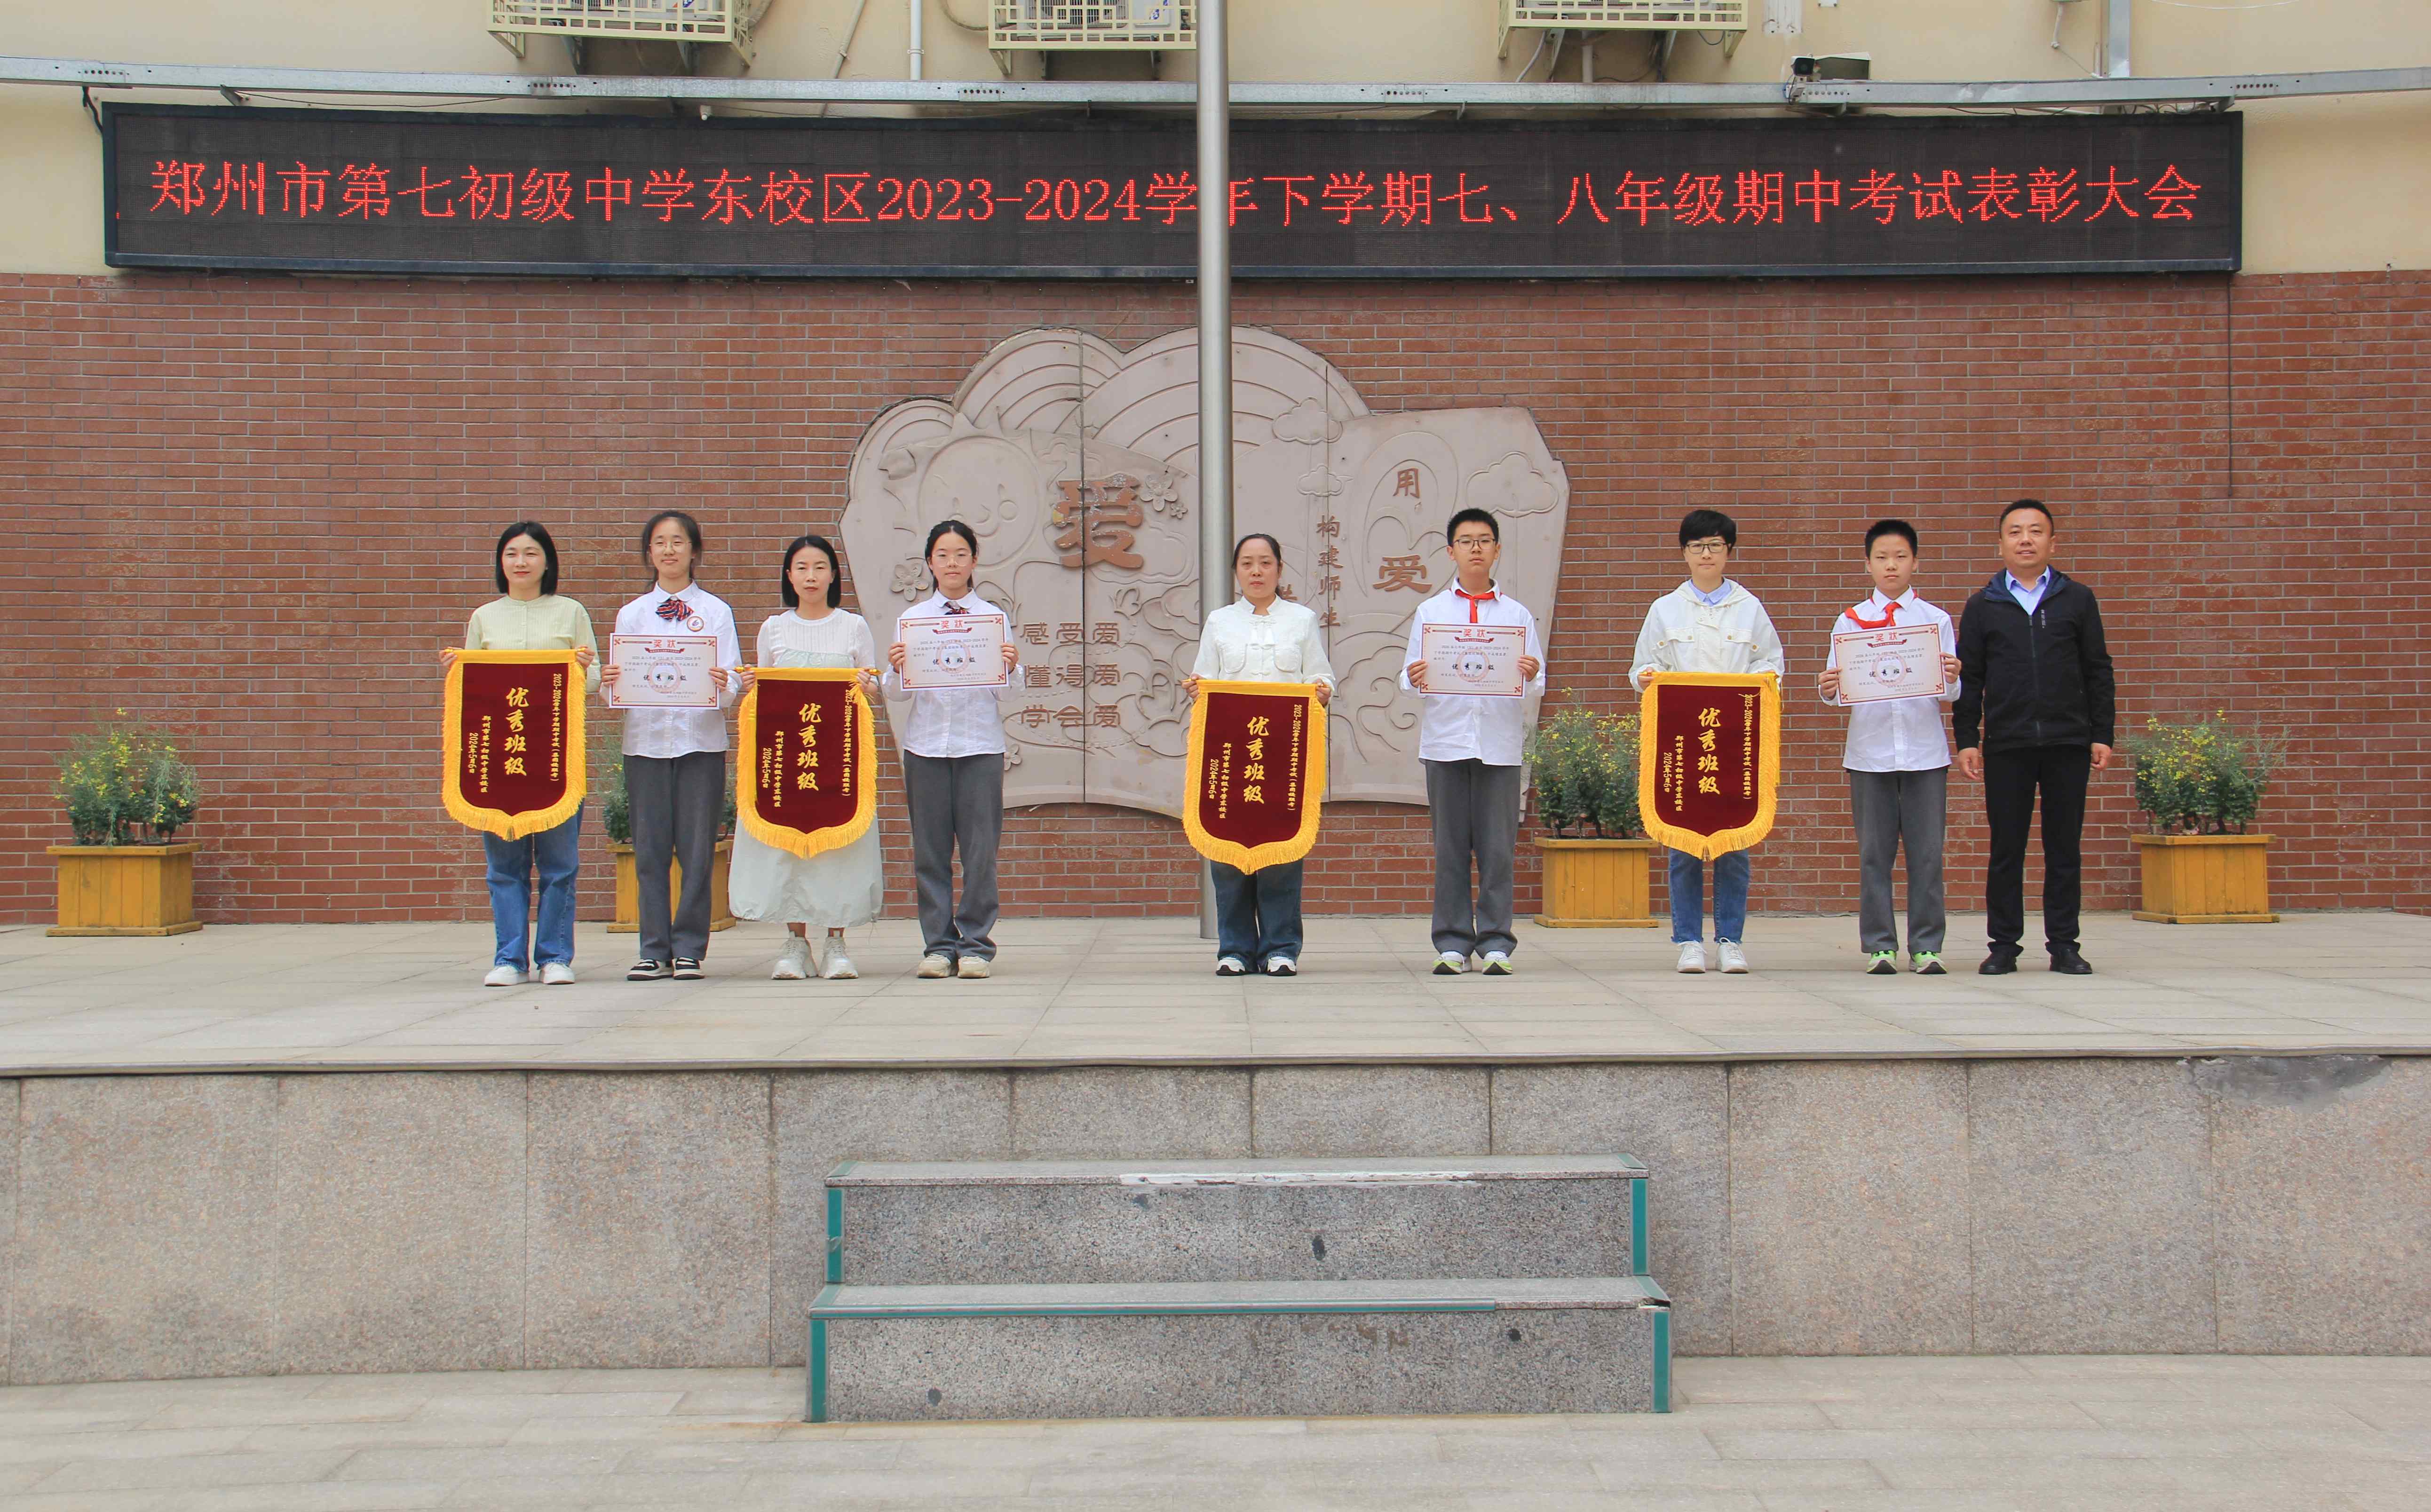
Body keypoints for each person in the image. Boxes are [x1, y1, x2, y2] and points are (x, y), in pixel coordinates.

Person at [1954, 498, 2116, 976]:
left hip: (2068, 741)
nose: (2025, 540)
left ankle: (2064, 944)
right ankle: (2004, 945)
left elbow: (2098, 669)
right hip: (2008, 743)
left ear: (2052, 542)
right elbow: (1970, 678)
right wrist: (1967, 738)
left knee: (2064, 848)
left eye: (2035, 531)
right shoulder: (1983, 605)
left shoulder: (2077, 599)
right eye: (2015, 532)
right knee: (2007, 849)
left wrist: (2102, 733)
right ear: (2001, 543)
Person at [1630, 508, 1786, 975]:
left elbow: (1772, 667)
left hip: (1734, 745)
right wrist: (1648, 677)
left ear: (1729, 551)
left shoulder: (1749, 608)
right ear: (1684, 552)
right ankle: (1689, 941)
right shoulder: (1665, 609)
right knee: (1683, 846)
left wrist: (1760, 683)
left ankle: (1730, 940)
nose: (1706, 554)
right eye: (1697, 546)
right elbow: (1641, 670)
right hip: (1682, 745)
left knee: (1734, 844)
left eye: (1715, 545)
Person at [444, 522, 600, 988]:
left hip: (555, 759)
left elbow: (592, 682)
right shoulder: (485, 617)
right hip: (500, 763)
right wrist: (456, 672)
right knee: (504, 868)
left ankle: (555, 955)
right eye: (512, 553)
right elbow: (473, 691)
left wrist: (583, 670)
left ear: (547, 561)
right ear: (501, 562)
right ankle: (509, 958)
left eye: (531, 553)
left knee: (560, 865)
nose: (521, 562)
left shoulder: (571, 612)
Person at [730, 534, 885, 982]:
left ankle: (836, 942)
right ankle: (795, 943)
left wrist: (868, 686)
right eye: (801, 567)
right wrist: (750, 686)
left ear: (833, 575)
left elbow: (874, 688)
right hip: (786, 760)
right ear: (789, 576)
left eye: (819, 567)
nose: (811, 576)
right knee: (789, 851)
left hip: (838, 761)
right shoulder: (774, 628)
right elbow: (765, 689)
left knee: (838, 848)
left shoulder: (853, 627)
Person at [1399, 507, 1545, 977]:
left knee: (1498, 849)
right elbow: (1407, 677)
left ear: (1497, 550)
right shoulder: (1431, 612)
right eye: (1466, 541)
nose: (1475, 548)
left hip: (1499, 746)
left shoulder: (1516, 614)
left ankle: (1497, 941)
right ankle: (1452, 942)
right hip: (1446, 744)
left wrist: (1530, 672)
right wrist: (1415, 676)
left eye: (1484, 540)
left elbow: (1537, 680)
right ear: (1451, 551)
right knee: (1450, 849)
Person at [603, 510, 746, 983]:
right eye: (660, 542)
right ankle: (652, 949)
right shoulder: (632, 613)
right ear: (649, 552)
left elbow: (733, 682)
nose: (669, 550)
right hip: (644, 744)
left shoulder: (716, 612)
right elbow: (618, 687)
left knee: (697, 850)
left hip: (699, 743)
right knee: (649, 850)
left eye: (678, 541)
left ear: (694, 551)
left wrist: (725, 684)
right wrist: (611, 683)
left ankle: (688, 949)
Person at [1185, 533, 1337, 977]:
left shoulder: (1302, 620)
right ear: (1236, 571)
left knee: (1280, 852)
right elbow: (1204, 680)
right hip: (1230, 759)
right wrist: (1196, 688)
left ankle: (1280, 949)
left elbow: (1321, 677)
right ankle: (1234, 950)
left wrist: (1322, 691)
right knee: (1229, 853)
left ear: (1279, 569)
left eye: (1265, 562)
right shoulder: (1219, 621)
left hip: (1283, 759)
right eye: (1247, 563)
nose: (1256, 571)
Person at [1818, 520, 1963, 976]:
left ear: (1915, 561)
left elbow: (1951, 692)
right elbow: (1839, 690)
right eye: (1881, 557)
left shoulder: (1935, 620)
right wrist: (1828, 688)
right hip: (1870, 753)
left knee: (1927, 855)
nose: (1891, 565)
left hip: (1925, 752)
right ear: (1867, 564)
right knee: (1874, 856)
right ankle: (1880, 946)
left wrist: (1954, 677)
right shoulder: (1850, 621)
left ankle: (1926, 946)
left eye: (1900, 556)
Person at [884, 520, 1022, 980]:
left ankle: (976, 945)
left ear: (974, 560)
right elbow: (897, 693)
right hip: (926, 748)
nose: (952, 563)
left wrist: (1011, 668)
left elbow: (1007, 694)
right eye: (942, 555)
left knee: (980, 853)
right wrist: (896, 668)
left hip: (979, 747)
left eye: (961, 554)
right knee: (930, 852)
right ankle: (939, 946)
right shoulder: (913, 619)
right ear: (930, 562)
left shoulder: (992, 619)